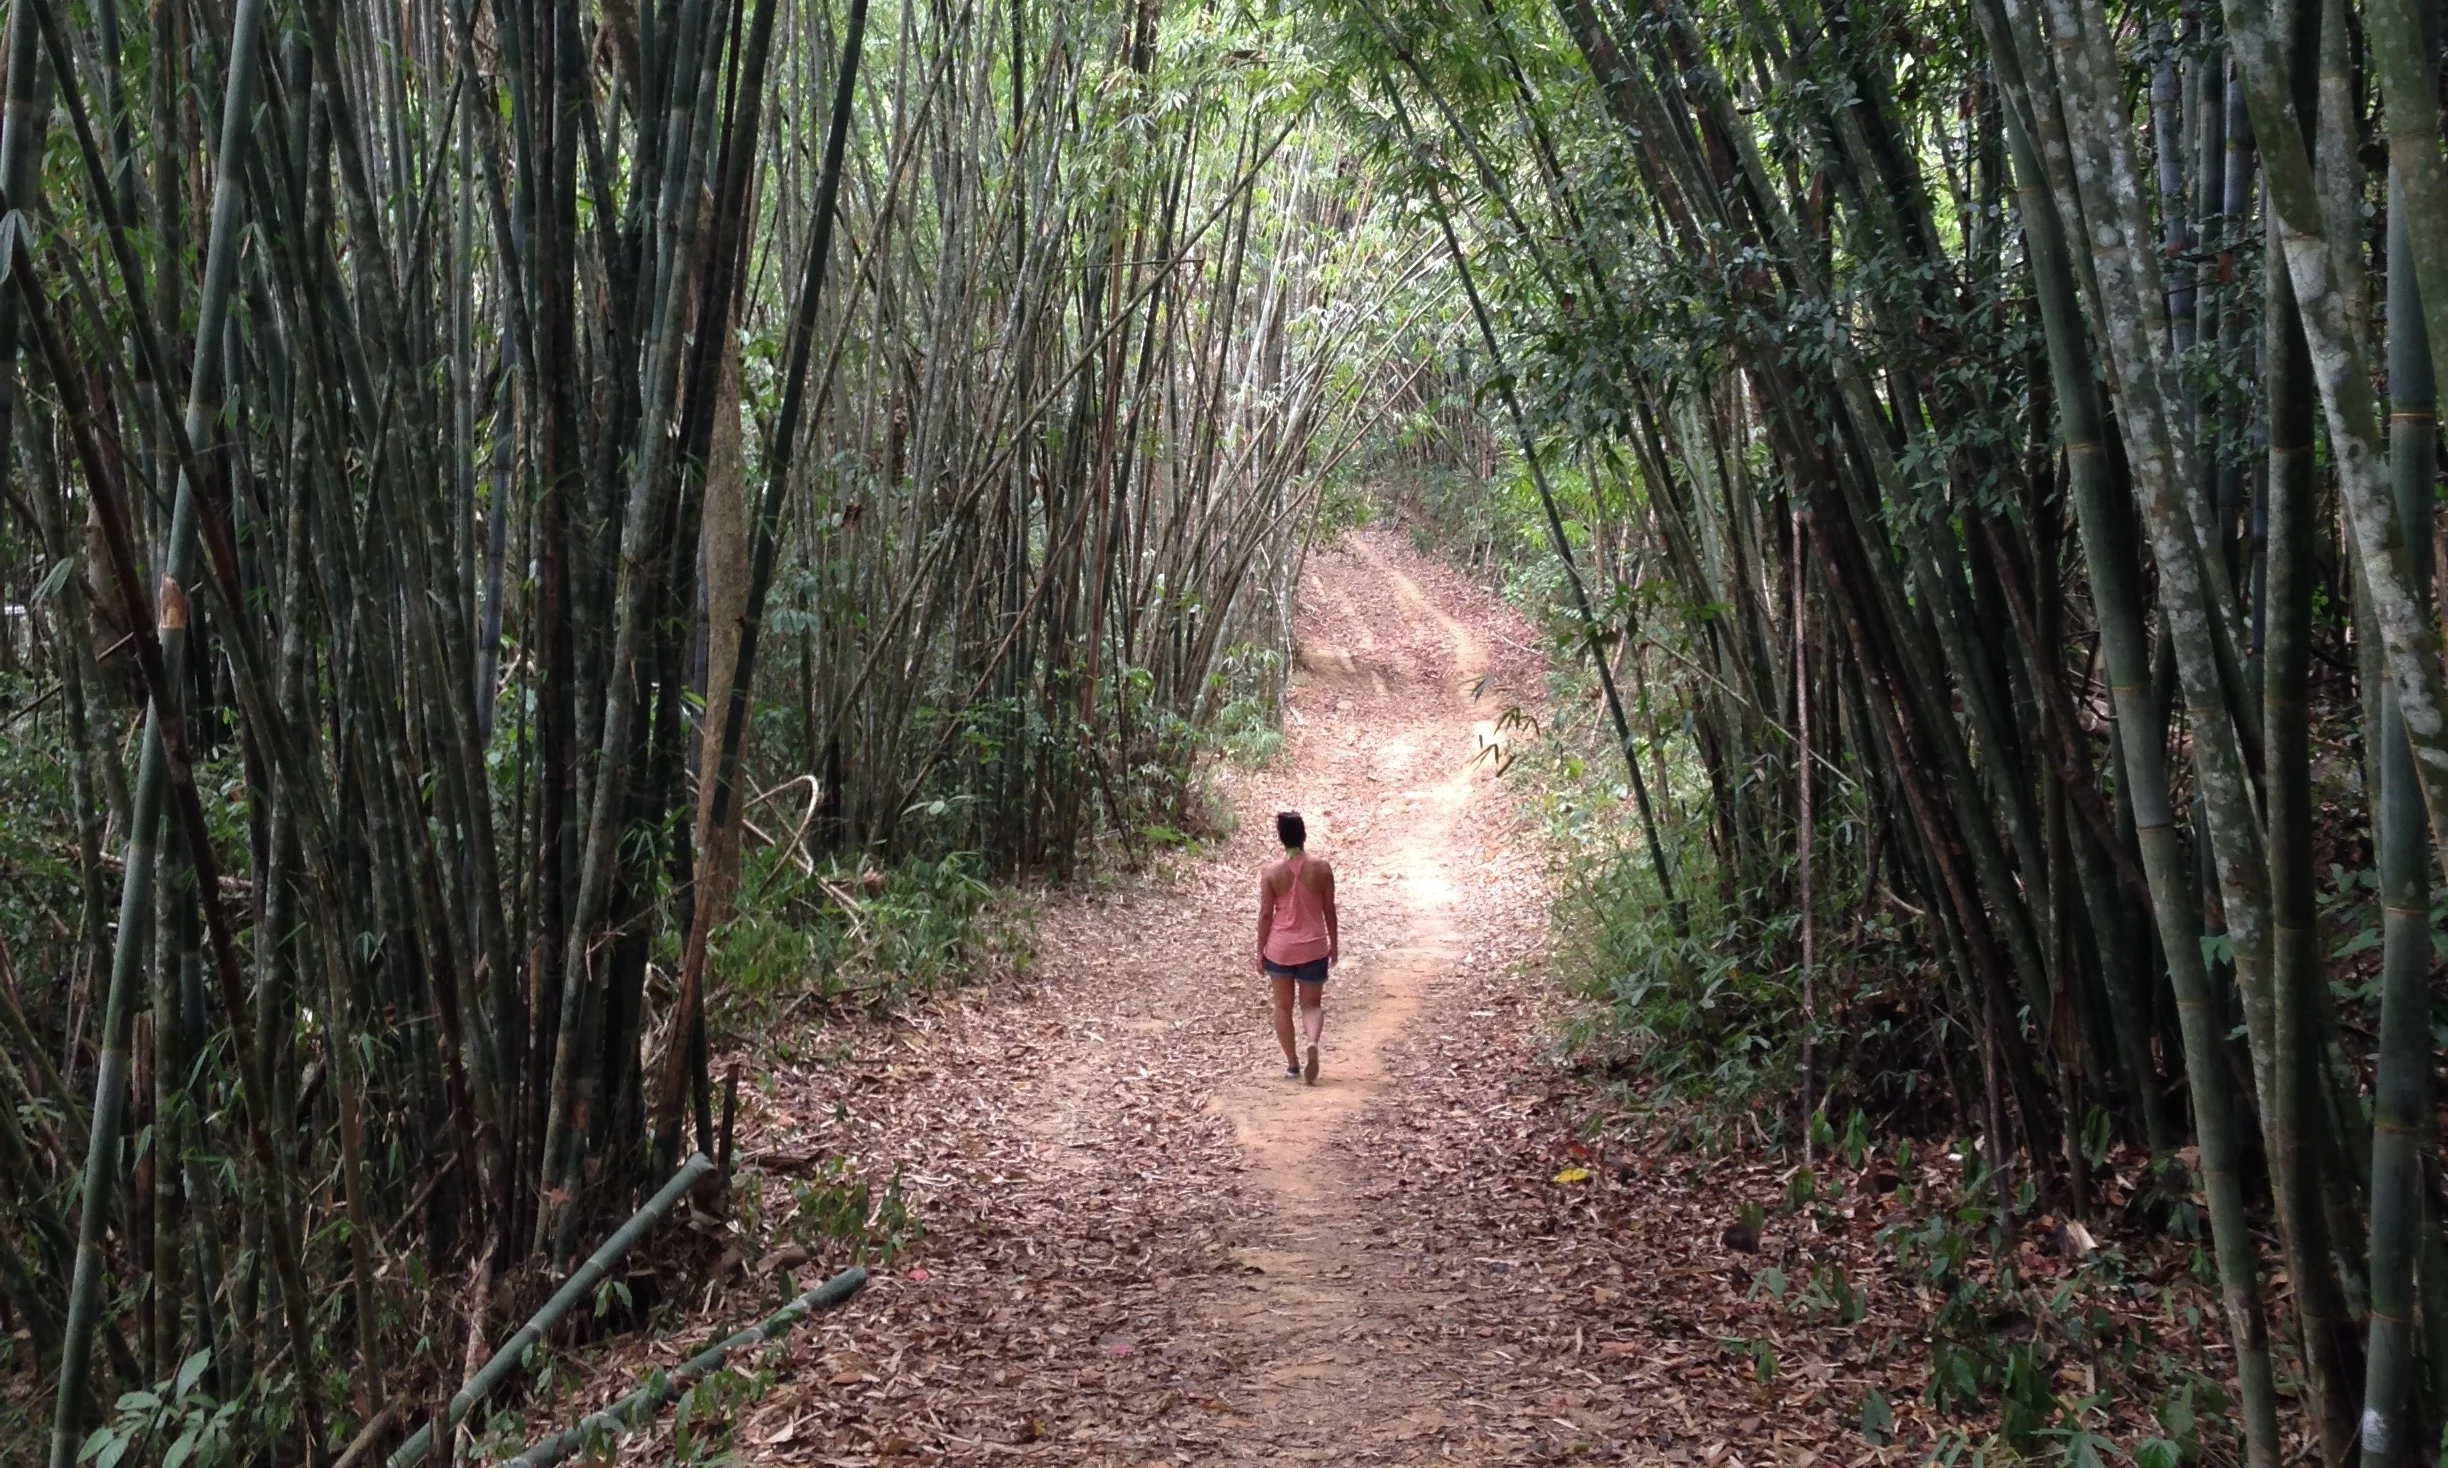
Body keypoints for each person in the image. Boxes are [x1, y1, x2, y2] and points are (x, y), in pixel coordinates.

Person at [1256, 810, 1338, 1084]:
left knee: (1282, 1006)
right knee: (1311, 1005)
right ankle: (1312, 1042)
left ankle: (1292, 1065)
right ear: (1304, 834)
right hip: (1314, 947)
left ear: (1281, 838)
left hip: (1280, 949)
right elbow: (1329, 910)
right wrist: (1334, 944)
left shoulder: (1271, 872)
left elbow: (1266, 914)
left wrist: (1260, 950)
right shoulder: (1322, 868)